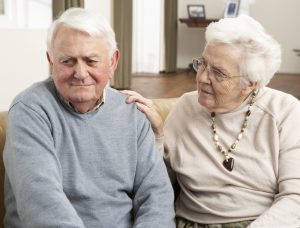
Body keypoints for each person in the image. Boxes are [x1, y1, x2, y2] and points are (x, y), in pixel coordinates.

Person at [3, 8, 175, 227]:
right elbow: (41, 205)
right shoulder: (29, 111)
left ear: (113, 62)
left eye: (91, 61)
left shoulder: (132, 112)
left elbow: (157, 198)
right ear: (51, 61)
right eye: (67, 61)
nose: (80, 73)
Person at [123, 15, 300, 227]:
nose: (202, 77)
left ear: (250, 84)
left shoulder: (284, 112)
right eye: (202, 64)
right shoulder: (185, 107)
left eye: (218, 73)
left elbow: (295, 197)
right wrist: (158, 137)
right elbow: (157, 185)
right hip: (191, 222)